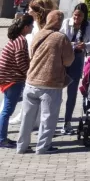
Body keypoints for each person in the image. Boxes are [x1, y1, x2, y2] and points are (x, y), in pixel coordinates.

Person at [15, 9, 74, 155]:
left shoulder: (38, 34)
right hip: (50, 83)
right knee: (48, 117)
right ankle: (43, 147)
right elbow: (68, 61)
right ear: (59, 22)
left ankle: (21, 146)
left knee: (27, 118)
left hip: (31, 80)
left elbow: (31, 54)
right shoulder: (61, 38)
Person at [60, 2, 90, 134]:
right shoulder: (66, 23)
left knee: (72, 94)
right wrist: (72, 45)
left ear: (84, 17)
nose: (76, 18)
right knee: (56, 93)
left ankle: (67, 122)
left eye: (80, 16)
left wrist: (86, 45)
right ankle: (51, 122)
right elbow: (60, 38)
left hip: (77, 60)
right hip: (63, 59)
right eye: (75, 15)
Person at [0, 13, 33, 148]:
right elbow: (20, 61)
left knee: (7, 109)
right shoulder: (21, 40)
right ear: (25, 27)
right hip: (12, 78)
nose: (32, 28)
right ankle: (1, 139)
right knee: (7, 110)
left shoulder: (17, 39)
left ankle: (2, 137)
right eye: (31, 26)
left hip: (9, 77)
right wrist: (28, 74)